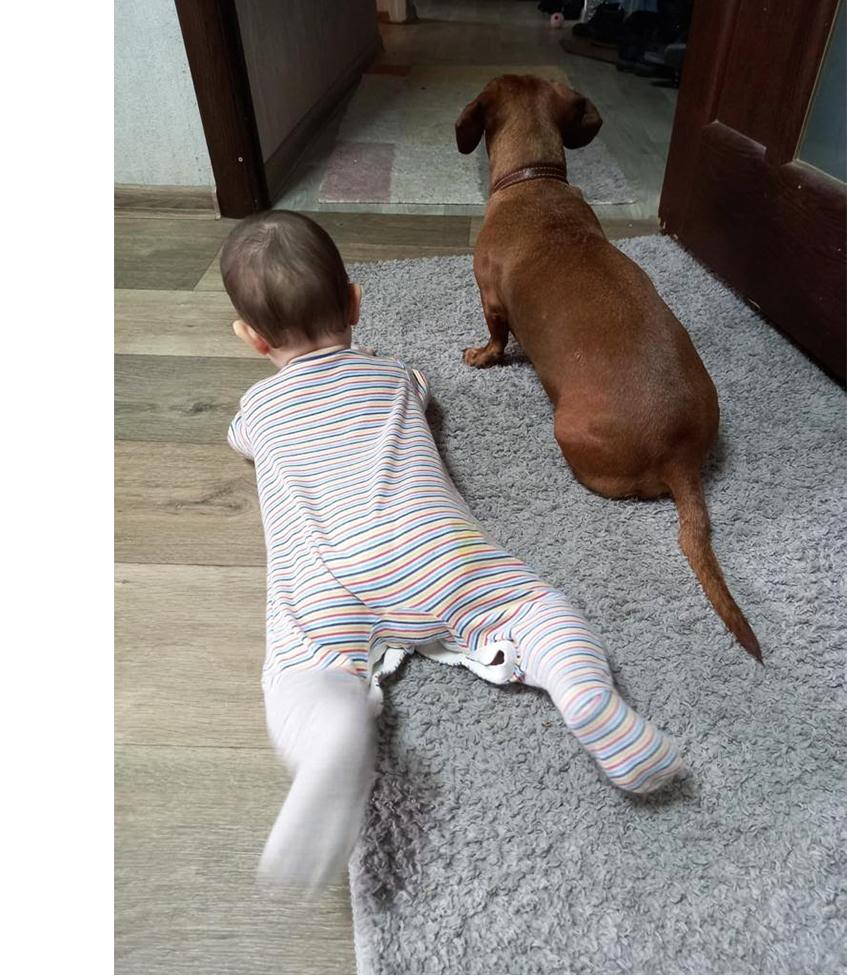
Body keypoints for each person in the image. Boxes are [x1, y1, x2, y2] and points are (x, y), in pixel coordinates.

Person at [222, 210, 684, 891]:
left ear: (251, 339)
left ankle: (328, 735)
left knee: (300, 666)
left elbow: (240, 439)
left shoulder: (258, 409)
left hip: (324, 576)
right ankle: (584, 695)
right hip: (428, 555)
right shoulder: (392, 378)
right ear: (354, 301)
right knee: (531, 609)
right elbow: (422, 393)